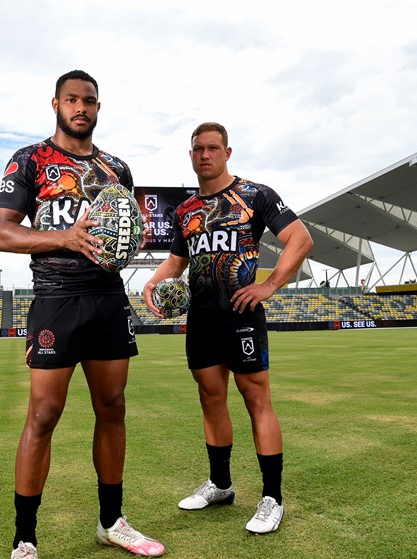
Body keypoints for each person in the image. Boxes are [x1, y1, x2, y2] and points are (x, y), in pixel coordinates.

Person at [0, 70, 165, 559]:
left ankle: (112, 522)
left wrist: (133, 240)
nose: (80, 108)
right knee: (44, 415)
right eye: (72, 100)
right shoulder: (29, 160)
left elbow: (123, 235)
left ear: (97, 106)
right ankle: (25, 539)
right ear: (55, 104)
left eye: (88, 101)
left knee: (113, 409)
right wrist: (65, 238)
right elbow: (2, 234)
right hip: (55, 299)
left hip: (109, 299)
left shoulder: (118, 169)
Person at [143, 122, 313, 535]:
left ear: (227, 152)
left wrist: (269, 285)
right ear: (191, 155)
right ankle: (221, 484)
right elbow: (178, 263)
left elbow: (301, 239)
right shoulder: (184, 211)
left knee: (258, 401)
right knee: (210, 400)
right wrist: (152, 281)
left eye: (213, 148)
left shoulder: (255, 195)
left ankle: (272, 498)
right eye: (198, 149)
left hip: (242, 316)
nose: (205, 155)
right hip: (201, 319)